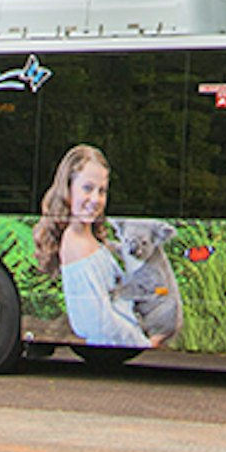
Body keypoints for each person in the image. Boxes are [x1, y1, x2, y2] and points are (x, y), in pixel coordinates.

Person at [33, 144, 152, 348]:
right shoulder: (76, 246)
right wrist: (142, 341)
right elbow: (99, 323)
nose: (96, 200)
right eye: (87, 188)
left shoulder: (89, 238)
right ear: (68, 189)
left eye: (102, 191)